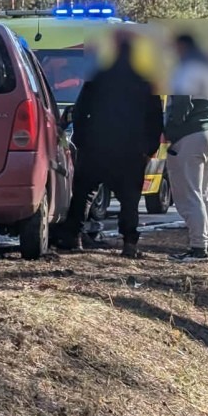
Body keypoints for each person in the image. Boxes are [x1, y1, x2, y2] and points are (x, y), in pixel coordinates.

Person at [56, 33, 164, 258]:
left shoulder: (97, 76)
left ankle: (73, 237)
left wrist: (81, 141)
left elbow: (80, 110)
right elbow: (155, 118)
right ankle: (129, 244)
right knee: (129, 199)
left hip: (96, 146)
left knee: (83, 193)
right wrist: (149, 149)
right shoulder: (145, 80)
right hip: (130, 150)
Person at [164, 90, 208, 262]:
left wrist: (173, 130)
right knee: (204, 194)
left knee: (190, 195)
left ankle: (199, 248)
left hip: (190, 133)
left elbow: (182, 102)